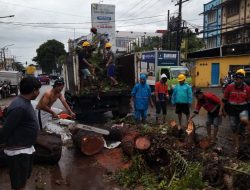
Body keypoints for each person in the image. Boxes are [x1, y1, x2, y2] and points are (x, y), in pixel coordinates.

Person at [0, 77, 41, 190]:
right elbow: (6, 130)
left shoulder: (24, 102)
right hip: (18, 153)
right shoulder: (19, 107)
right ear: (34, 90)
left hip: (24, 149)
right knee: (18, 185)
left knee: (22, 180)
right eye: (38, 90)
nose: (38, 92)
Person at [220, 69, 250, 152]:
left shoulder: (247, 89)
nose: (235, 81)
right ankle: (237, 146)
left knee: (243, 126)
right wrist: (221, 110)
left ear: (242, 80)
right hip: (232, 110)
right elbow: (224, 100)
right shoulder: (229, 87)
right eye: (235, 79)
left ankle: (244, 143)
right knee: (234, 127)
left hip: (243, 110)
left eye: (237, 79)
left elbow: (249, 101)